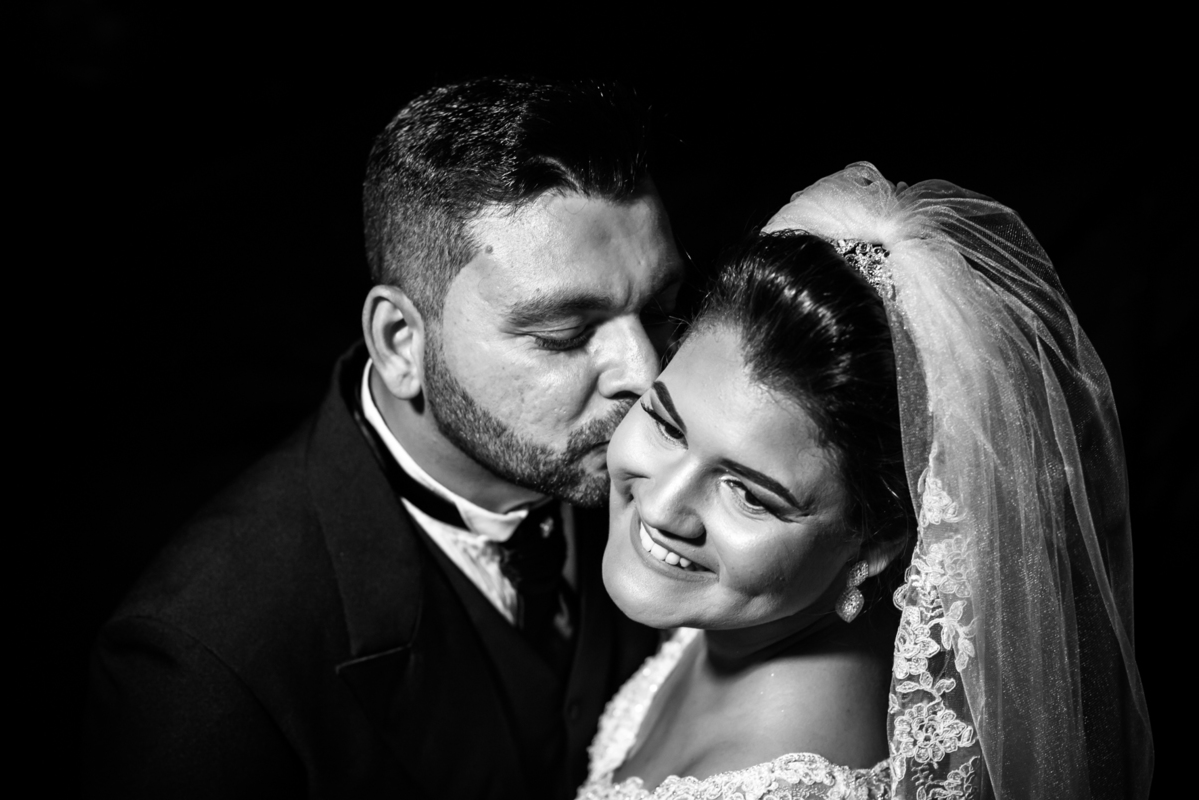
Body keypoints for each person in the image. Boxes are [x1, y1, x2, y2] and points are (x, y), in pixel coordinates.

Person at [85, 77, 684, 798]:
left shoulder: (683, 472)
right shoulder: (206, 664)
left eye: (661, 309)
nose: (646, 374)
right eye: (564, 333)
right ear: (400, 343)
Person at [577, 163, 1153, 799]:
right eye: (666, 425)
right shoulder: (751, 611)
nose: (660, 504)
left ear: (875, 543)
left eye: (747, 493)